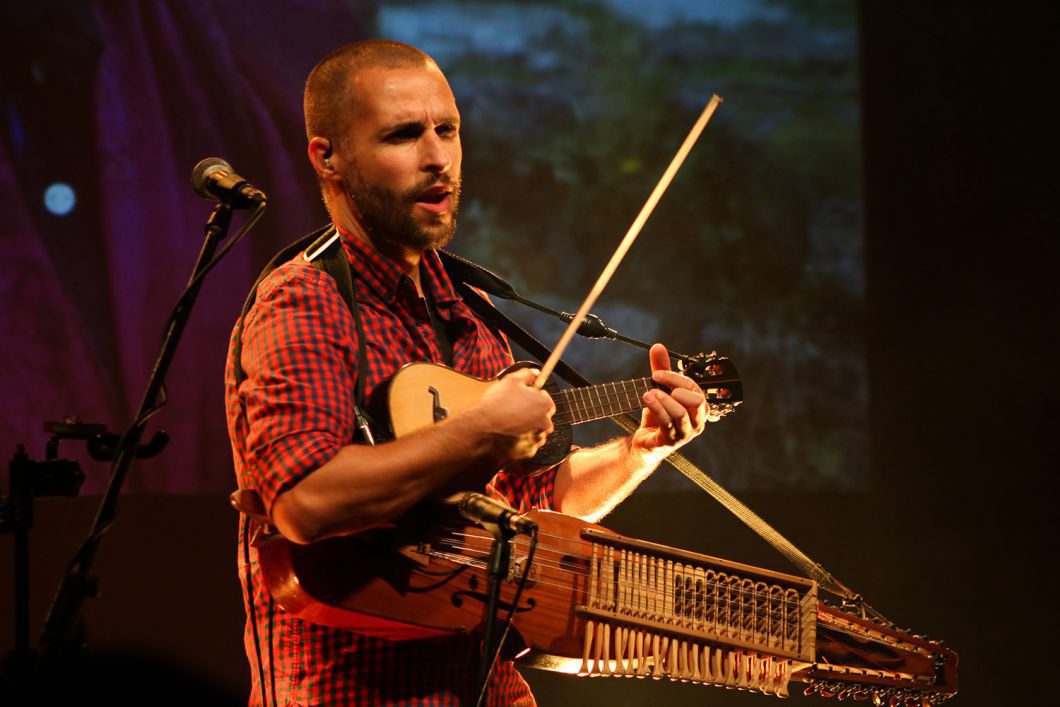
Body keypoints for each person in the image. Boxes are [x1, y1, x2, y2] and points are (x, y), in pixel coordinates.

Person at [225, 39, 708, 706]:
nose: (437, 158)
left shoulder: (471, 313)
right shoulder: (305, 303)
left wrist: (638, 451)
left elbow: (532, 511)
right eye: (403, 135)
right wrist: (480, 433)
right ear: (326, 156)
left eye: (447, 130)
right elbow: (308, 502)